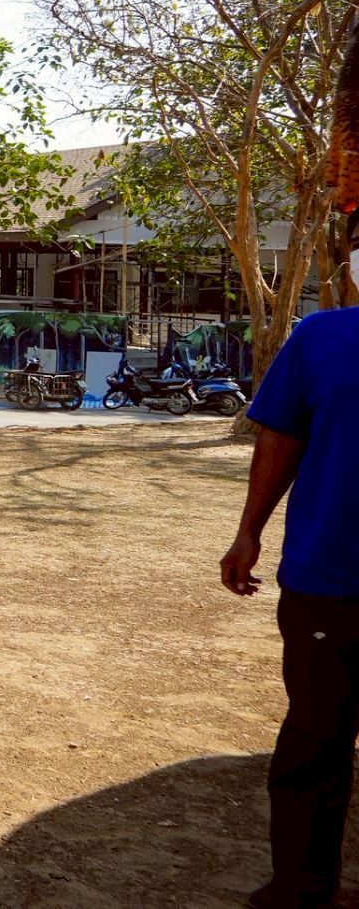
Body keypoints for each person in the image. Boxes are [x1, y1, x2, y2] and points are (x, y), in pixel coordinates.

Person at [224, 305, 359, 909]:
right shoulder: (322, 336)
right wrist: (248, 532)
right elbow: (281, 435)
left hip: (326, 579)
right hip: (329, 581)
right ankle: (303, 891)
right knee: (315, 739)